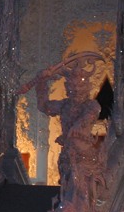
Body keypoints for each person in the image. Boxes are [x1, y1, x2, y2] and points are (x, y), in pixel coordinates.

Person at [35, 55, 104, 204]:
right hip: (67, 155)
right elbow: (44, 106)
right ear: (67, 88)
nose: (77, 90)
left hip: (85, 157)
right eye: (73, 87)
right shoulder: (64, 105)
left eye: (80, 86)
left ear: (87, 87)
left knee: (83, 193)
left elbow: (88, 117)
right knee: (67, 191)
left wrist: (77, 127)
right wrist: (41, 82)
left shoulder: (91, 105)